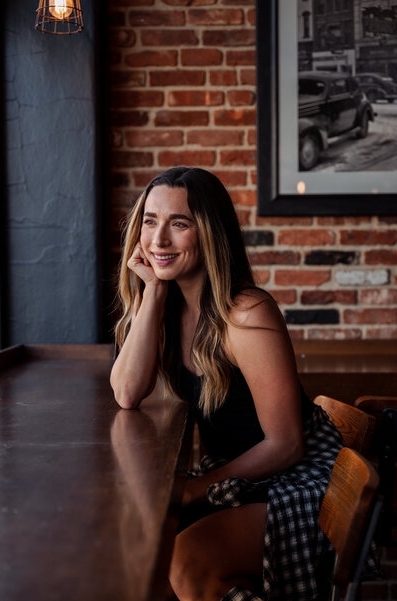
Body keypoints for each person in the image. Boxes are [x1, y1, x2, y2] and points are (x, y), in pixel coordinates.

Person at [110, 166, 343, 601]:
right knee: (141, 546)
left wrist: (199, 487)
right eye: (150, 220)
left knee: (185, 560)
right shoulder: (170, 307)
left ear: (210, 233)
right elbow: (126, 392)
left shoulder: (246, 312)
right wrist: (155, 294)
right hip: (244, 477)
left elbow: (287, 443)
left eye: (179, 224)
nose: (158, 240)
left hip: (300, 480)